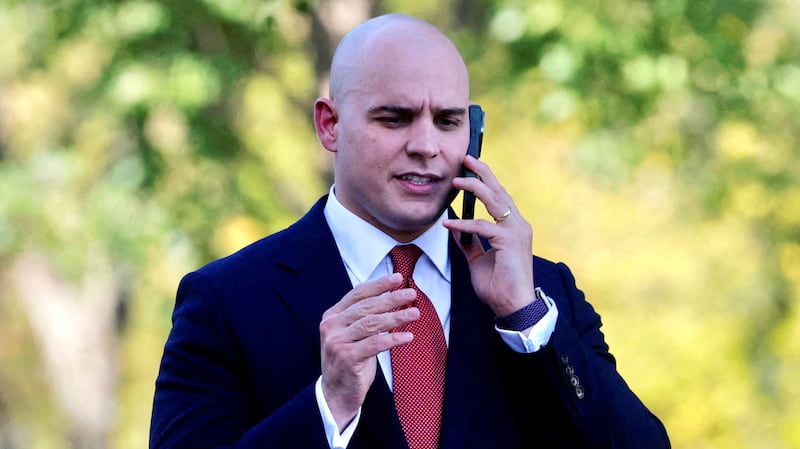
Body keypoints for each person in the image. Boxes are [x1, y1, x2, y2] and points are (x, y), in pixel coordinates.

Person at [150, 13, 670, 449]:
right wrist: (328, 405)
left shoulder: (542, 295)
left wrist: (528, 323)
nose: (427, 145)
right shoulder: (226, 300)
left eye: (447, 121)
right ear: (330, 125)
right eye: (395, 119)